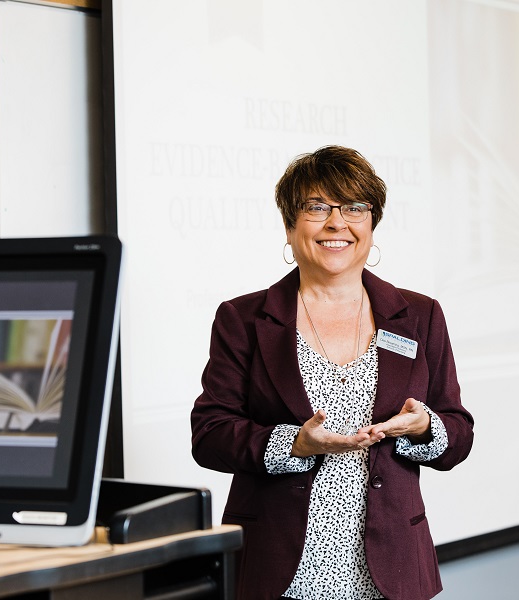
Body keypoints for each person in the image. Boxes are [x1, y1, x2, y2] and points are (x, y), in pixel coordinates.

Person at [190, 145, 474, 600]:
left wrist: (425, 427)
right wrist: (294, 444)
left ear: (372, 224)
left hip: (391, 573)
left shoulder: (420, 316)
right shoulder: (242, 319)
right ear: (289, 225)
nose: (336, 222)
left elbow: (458, 431)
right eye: (316, 207)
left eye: (354, 208)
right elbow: (209, 434)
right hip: (277, 573)